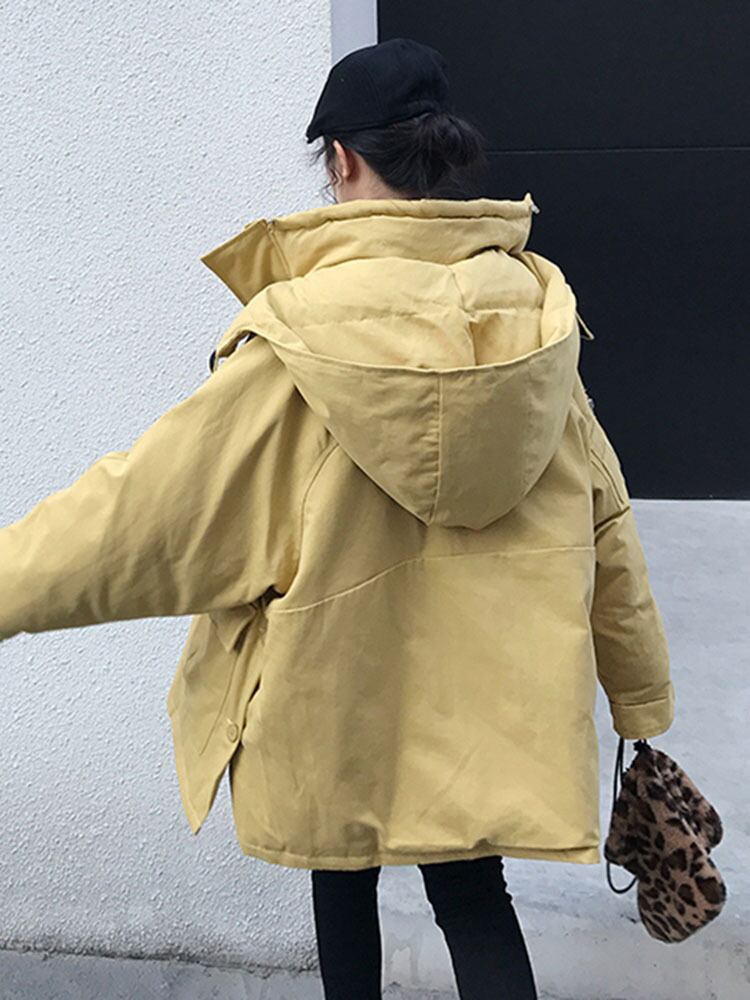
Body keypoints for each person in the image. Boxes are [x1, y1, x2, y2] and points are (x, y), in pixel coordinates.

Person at [0, 36, 675, 1000]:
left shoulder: (301, 336)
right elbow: (610, 524)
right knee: (474, 897)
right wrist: (641, 700)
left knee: (341, 883)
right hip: (482, 708)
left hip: (332, 695)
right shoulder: (533, 320)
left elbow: (135, 513)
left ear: (344, 160)